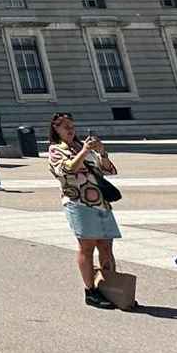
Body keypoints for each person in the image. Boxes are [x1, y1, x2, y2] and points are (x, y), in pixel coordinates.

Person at [48, 112, 121, 309]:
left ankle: (111, 287)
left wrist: (102, 152)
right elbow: (68, 170)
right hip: (78, 203)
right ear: (56, 128)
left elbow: (108, 170)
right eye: (66, 127)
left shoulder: (82, 146)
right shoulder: (56, 150)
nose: (71, 130)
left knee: (106, 246)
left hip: (101, 202)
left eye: (72, 126)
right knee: (87, 246)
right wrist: (83, 151)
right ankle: (90, 290)